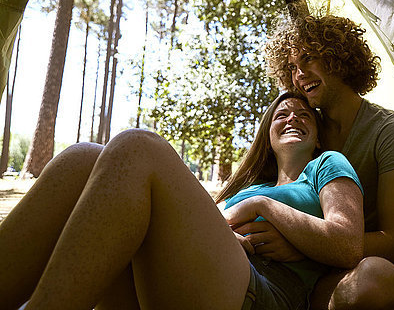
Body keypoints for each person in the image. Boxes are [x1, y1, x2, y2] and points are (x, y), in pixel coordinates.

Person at [0, 92, 364, 310]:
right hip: (191, 279)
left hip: (264, 292)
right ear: (267, 136)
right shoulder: (250, 184)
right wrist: (236, 217)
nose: (292, 118)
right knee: (83, 156)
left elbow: (347, 244)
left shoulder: (326, 165)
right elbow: (207, 228)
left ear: (318, 139)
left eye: (304, 115)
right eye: (281, 114)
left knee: (139, 147)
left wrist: (265, 208)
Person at [260, 2, 394, 310]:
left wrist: (301, 245)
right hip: (284, 271)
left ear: (338, 59)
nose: (299, 74)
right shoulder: (302, 129)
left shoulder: (390, 132)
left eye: (308, 58)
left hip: (348, 272)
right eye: (292, 67)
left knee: (375, 280)